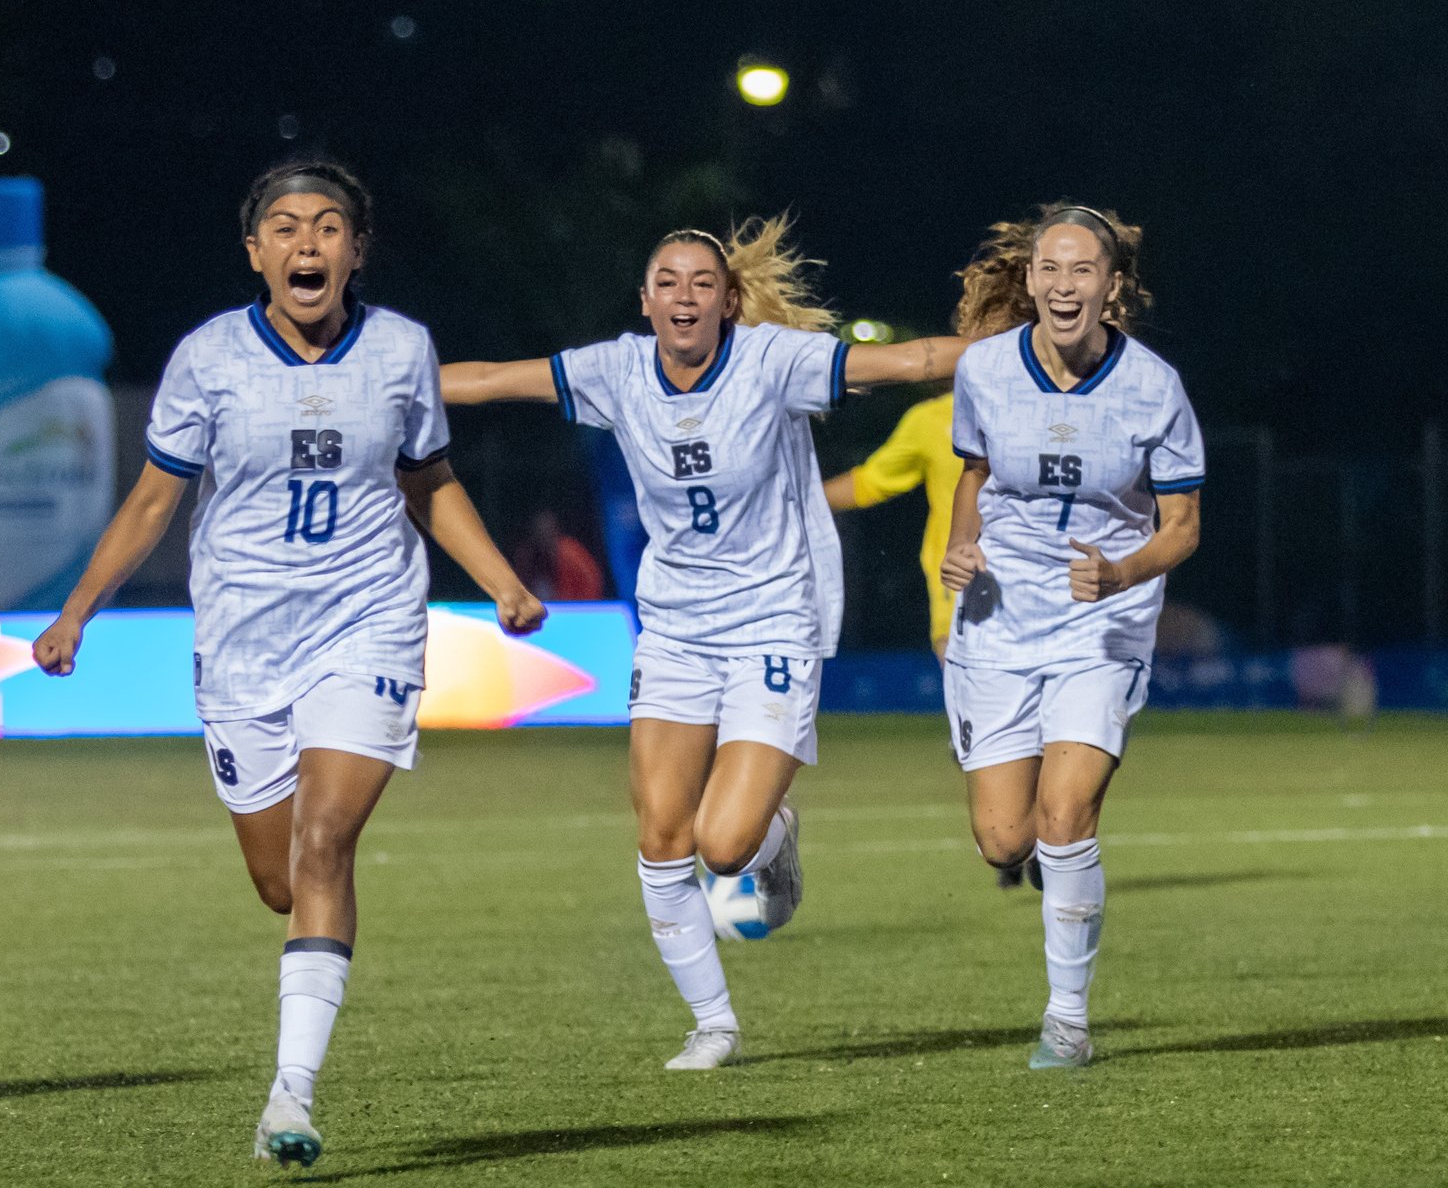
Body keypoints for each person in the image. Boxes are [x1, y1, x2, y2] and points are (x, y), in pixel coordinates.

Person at [31, 162, 543, 1169]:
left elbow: (427, 481)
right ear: (254, 251)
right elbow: (151, 501)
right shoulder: (208, 358)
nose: (306, 245)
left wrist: (497, 581)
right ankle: (302, 1013)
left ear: (356, 248)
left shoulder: (399, 350)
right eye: (283, 228)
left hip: (367, 625)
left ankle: (290, 1094)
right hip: (242, 643)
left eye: (326, 227)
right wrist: (76, 610)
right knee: (280, 878)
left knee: (321, 842)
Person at [443, 217, 982, 1070]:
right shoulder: (616, 369)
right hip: (676, 630)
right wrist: (377, 380)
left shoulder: (773, 361)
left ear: (730, 301)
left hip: (772, 619)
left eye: (703, 282)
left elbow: (909, 362)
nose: (684, 296)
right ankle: (714, 1025)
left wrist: (1028, 344)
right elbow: (483, 381)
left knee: (724, 845)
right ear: (647, 300)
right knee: (662, 834)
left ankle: (775, 838)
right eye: (668, 281)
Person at [939, 204, 1203, 1069]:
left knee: (1064, 818)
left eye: (1082, 271)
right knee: (1004, 841)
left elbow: (1183, 524)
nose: (1063, 286)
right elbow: (975, 474)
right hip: (998, 623)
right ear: (1030, 281)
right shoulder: (985, 370)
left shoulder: (1153, 386)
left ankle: (1067, 1020)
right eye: (1049, 270)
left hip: (1103, 623)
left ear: (1111, 286)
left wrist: (1124, 574)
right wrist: (959, 544)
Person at [822, 387, 961, 657]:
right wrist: (787, 503)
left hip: (1043, 581)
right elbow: (869, 483)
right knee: (971, 698)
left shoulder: (1047, 409)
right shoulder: (931, 419)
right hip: (959, 589)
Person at [512, 508, 607, 601]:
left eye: (547, 532)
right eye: (540, 532)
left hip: (578, 606)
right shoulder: (528, 555)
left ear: (555, 530)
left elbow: (592, 583)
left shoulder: (570, 554)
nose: (544, 536)